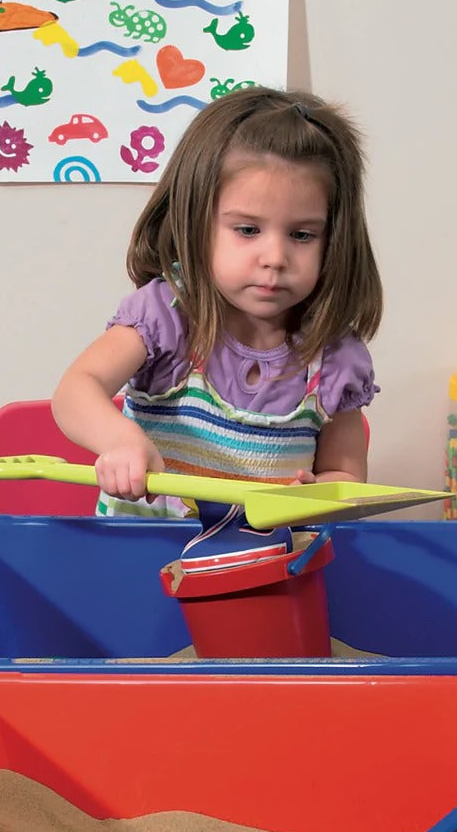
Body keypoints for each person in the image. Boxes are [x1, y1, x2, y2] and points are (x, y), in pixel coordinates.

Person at [52, 86, 383, 517]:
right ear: (196, 222)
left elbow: (345, 475)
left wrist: (322, 493)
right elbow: (77, 390)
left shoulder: (335, 359)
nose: (275, 258)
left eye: (302, 235)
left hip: (261, 569)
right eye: (247, 230)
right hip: (140, 565)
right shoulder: (166, 317)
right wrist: (120, 440)